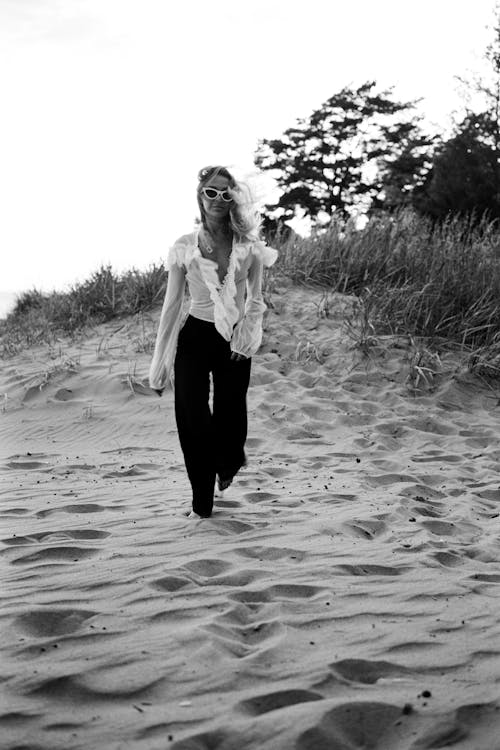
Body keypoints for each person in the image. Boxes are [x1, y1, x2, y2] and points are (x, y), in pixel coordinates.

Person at [149, 165, 277, 519]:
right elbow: (172, 305)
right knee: (192, 418)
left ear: (234, 198)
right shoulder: (184, 248)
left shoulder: (250, 247)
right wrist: (159, 367)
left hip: (233, 341)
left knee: (231, 416)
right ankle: (201, 501)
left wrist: (246, 339)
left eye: (226, 193)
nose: (218, 199)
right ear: (200, 195)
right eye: (211, 192)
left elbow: (255, 299)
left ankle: (230, 460)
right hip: (195, 336)